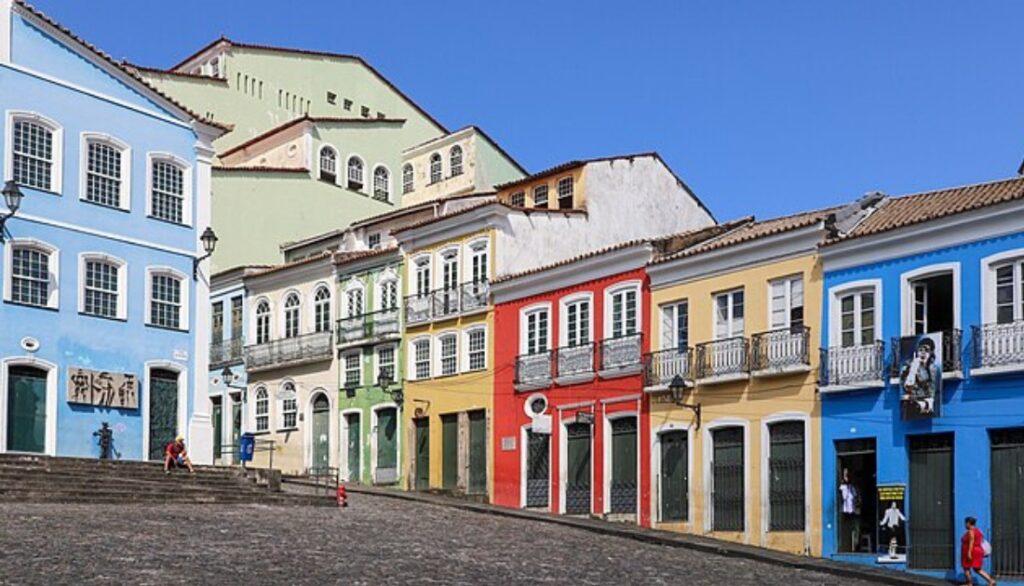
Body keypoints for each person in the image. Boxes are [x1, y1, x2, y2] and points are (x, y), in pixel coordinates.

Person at [900, 337, 938, 416]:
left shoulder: (933, 368)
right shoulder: (909, 365)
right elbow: (908, 385)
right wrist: (914, 366)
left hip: (926, 407)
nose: (923, 353)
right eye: (920, 350)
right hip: (911, 405)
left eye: (927, 350)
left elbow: (932, 390)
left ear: (931, 353)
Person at [961, 516, 995, 586]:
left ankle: (969, 584)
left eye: (965, 523)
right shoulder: (978, 531)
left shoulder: (971, 532)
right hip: (978, 551)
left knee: (966, 568)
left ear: (968, 523)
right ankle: (991, 581)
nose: (965, 525)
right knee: (977, 569)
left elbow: (971, 542)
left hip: (972, 551)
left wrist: (969, 553)